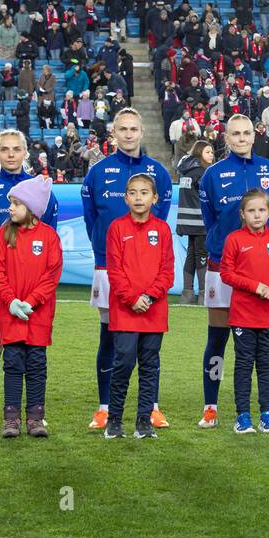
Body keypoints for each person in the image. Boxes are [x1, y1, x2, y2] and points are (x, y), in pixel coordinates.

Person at [80, 108, 172, 431]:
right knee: (110, 339)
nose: (129, 134)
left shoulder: (157, 171)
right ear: (114, 133)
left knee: (149, 343)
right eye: (123, 129)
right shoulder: (98, 171)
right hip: (110, 269)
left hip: (147, 273)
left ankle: (152, 409)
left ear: (142, 132)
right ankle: (105, 408)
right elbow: (91, 216)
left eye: (134, 128)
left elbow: (161, 217)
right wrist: (101, 251)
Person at [196, 114, 269, 429]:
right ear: (226, 137)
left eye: (247, 133)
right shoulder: (212, 174)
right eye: (235, 134)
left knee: (264, 344)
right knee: (218, 339)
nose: (242, 138)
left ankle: (268, 408)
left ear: (254, 135)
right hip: (223, 266)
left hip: (261, 270)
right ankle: (211, 405)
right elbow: (211, 220)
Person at [0, 129, 58, 430]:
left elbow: (49, 237)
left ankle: (32, 412)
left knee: (31, 349)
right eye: (4, 149)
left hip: (31, 283)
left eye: (16, 149)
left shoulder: (40, 191)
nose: (10, 154)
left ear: (25, 153)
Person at [0, 174, 61, 439]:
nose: (10, 208)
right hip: (11, 315)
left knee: (37, 365)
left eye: (16, 203)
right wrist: (11, 300)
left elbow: (51, 276)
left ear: (32, 207)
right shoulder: (3, 233)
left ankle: (35, 418)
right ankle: (11, 418)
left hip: (38, 316)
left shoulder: (49, 237)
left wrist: (31, 302)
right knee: (13, 365)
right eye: (10, 203)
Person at [103, 173, 176, 440]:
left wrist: (149, 297)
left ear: (154, 198)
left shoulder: (163, 230)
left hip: (153, 311)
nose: (138, 198)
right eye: (132, 193)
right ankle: (114, 420)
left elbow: (167, 273)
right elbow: (115, 270)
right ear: (125, 198)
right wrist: (133, 298)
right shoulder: (117, 228)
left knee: (149, 366)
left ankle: (144, 421)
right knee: (122, 363)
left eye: (144, 193)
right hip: (125, 311)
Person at [220, 189, 269, 434]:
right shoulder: (234, 239)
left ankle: (267, 414)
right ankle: (243, 416)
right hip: (244, 316)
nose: (257, 215)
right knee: (244, 365)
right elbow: (226, 273)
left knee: (268, 365)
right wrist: (256, 286)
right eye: (252, 210)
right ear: (243, 214)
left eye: (261, 210)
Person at [176, 140, 212, 305]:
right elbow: (210, 196)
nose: (211, 155)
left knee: (191, 256)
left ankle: (187, 294)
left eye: (211, 152)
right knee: (202, 256)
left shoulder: (185, 171)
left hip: (186, 221)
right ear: (199, 153)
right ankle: (204, 295)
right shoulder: (202, 172)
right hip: (200, 221)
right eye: (207, 152)